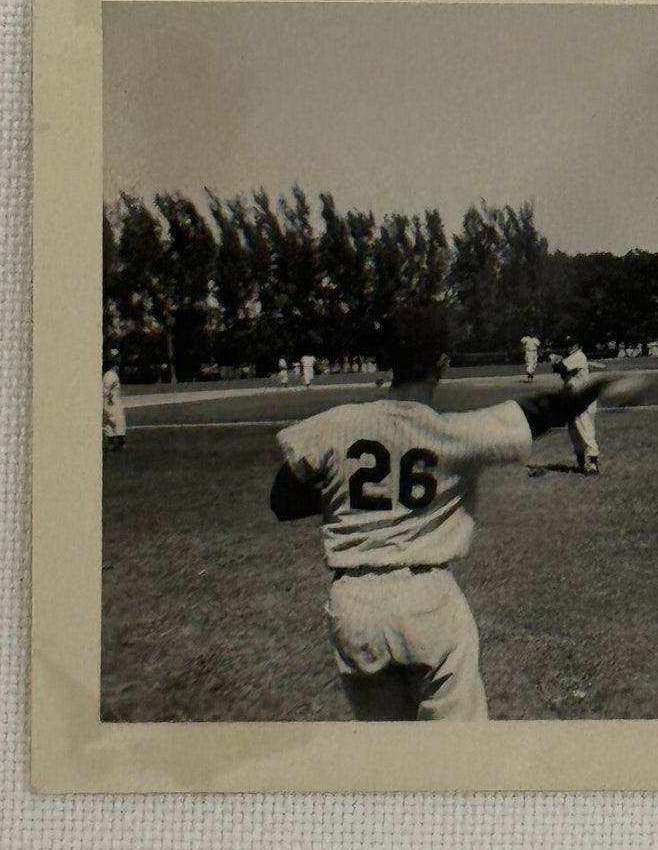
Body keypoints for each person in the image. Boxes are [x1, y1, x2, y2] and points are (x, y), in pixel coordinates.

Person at [270, 304, 638, 720]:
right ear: (441, 364)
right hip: (426, 599)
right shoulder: (453, 432)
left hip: (353, 606)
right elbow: (543, 411)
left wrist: (353, 496)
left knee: (385, 757)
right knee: (461, 755)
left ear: (387, 361)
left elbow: (282, 500)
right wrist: (599, 385)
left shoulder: (334, 424)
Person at [554, 340, 601, 473]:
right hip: (572, 398)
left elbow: (561, 367)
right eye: (567, 344)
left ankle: (593, 462)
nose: (569, 347)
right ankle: (581, 461)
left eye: (571, 344)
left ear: (577, 345)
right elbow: (562, 372)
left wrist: (556, 360)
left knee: (585, 430)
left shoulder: (578, 356)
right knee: (574, 432)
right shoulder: (571, 357)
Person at [101, 351, 126, 451]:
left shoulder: (109, 375)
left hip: (108, 403)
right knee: (118, 420)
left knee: (110, 423)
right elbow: (105, 391)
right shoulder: (111, 375)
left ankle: (112, 443)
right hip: (112, 403)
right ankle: (120, 443)